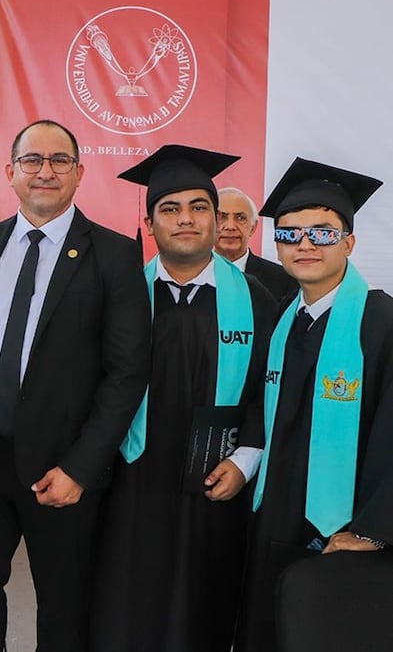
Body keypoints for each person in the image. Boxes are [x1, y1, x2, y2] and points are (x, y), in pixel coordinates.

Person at [0, 119, 150, 652]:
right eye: (32, 160)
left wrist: (81, 468)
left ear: (80, 173)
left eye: (60, 161)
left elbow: (127, 372)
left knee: (63, 609)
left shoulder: (114, 255)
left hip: (63, 474)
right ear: (10, 171)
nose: (46, 171)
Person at [90, 145, 275, 651]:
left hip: (217, 479)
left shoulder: (258, 297)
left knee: (205, 605)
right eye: (169, 209)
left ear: (218, 221)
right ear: (149, 224)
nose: (185, 219)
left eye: (199, 207)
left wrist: (246, 461)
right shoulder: (121, 295)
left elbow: (270, 387)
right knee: (128, 600)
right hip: (133, 478)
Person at [235, 158, 393, 651]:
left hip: (347, 529)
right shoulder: (282, 319)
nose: (305, 244)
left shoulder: (383, 322)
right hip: (276, 519)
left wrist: (372, 532)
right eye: (289, 233)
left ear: (348, 242)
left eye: (323, 233)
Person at [215, 187, 297, 301]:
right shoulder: (191, 274)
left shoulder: (284, 280)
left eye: (240, 218)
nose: (230, 227)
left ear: (253, 228)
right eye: (222, 217)